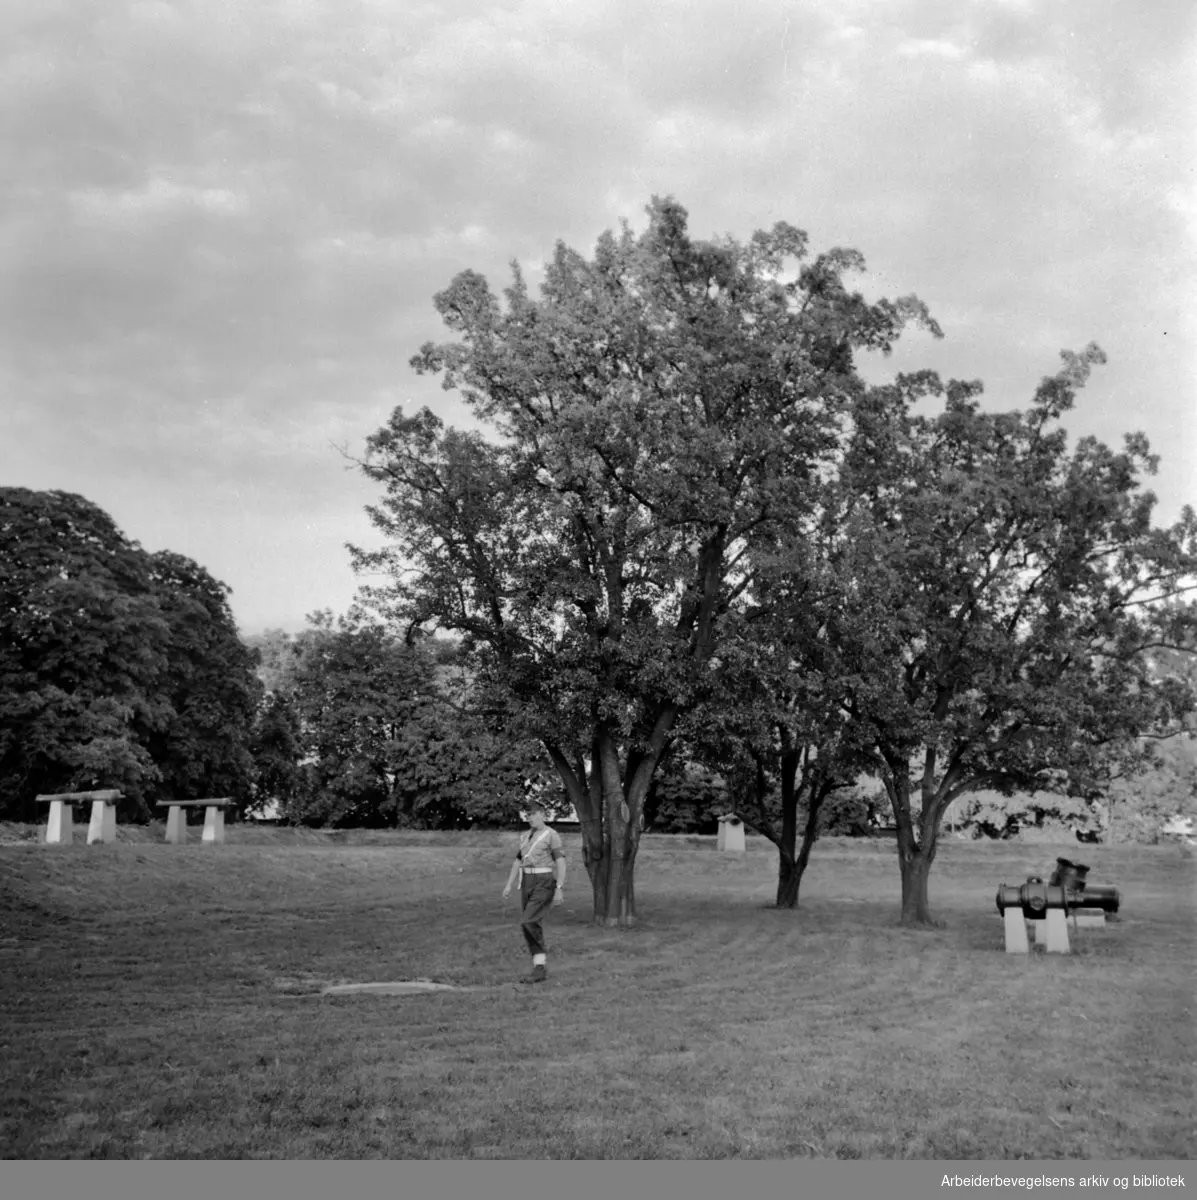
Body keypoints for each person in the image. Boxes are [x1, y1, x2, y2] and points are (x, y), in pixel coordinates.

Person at [502, 800, 566, 984]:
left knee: (528, 920)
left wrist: (559, 888)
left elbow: (560, 862)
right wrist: (508, 884)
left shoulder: (551, 835)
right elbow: (518, 860)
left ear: (542, 815)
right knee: (529, 924)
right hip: (527, 880)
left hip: (543, 880)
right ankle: (539, 967)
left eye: (532, 814)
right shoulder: (525, 836)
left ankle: (540, 967)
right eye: (527, 815)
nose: (529, 818)